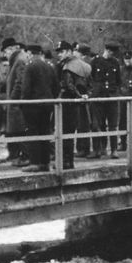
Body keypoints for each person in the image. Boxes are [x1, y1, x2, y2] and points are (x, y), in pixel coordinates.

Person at [20, 44, 60, 172]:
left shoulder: (29, 66)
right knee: (45, 132)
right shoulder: (49, 66)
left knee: (33, 132)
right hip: (47, 105)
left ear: (30, 53)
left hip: (32, 105)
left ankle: (34, 163)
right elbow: (56, 87)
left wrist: (23, 103)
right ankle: (45, 162)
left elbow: (26, 88)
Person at [57, 40, 91, 169]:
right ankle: (68, 161)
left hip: (68, 102)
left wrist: (78, 95)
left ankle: (66, 162)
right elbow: (91, 84)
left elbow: (68, 85)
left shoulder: (66, 67)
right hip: (81, 103)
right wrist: (86, 95)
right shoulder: (85, 66)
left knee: (65, 133)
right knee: (71, 133)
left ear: (70, 52)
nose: (59, 54)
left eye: (62, 52)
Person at [87, 40, 122, 159]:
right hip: (98, 98)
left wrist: (115, 92)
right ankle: (98, 150)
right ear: (107, 50)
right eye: (111, 52)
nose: (113, 55)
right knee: (97, 124)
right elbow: (89, 79)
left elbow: (118, 80)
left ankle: (113, 150)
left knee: (112, 125)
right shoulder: (95, 62)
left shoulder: (115, 63)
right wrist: (92, 92)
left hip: (111, 97)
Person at [6, 41, 31, 167]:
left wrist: (12, 98)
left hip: (17, 104)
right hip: (16, 103)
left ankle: (25, 156)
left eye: (6, 51)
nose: (5, 54)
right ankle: (21, 156)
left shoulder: (19, 60)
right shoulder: (18, 59)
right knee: (18, 129)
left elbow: (20, 81)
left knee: (20, 129)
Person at [73, 43, 94, 157]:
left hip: (84, 99)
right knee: (82, 124)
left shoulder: (85, 66)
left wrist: (86, 94)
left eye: (76, 51)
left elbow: (90, 83)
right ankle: (82, 148)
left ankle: (83, 148)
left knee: (83, 124)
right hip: (83, 97)